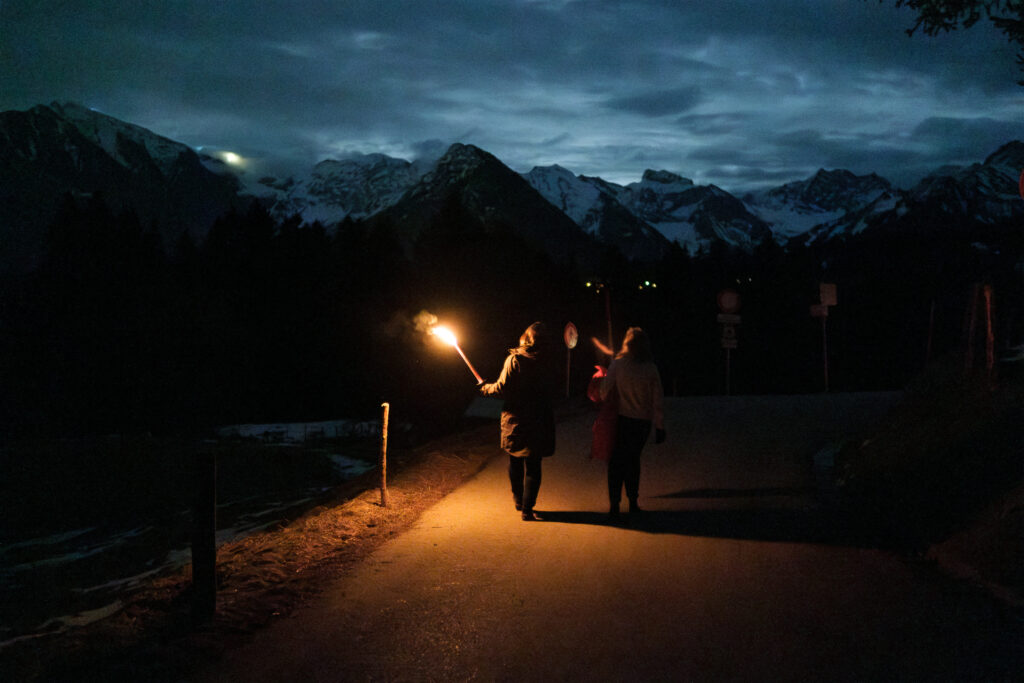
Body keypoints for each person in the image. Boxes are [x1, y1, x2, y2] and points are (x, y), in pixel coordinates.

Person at [479, 322, 559, 521]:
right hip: (540, 418)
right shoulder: (549, 361)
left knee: (515, 459)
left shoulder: (515, 359)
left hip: (517, 419)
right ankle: (527, 508)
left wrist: (485, 388)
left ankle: (518, 500)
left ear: (526, 338)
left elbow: (502, 387)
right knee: (534, 465)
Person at [600, 326, 665, 521]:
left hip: (621, 421)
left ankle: (614, 504)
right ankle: (633, 502)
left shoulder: (618, 365)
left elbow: (604, 393)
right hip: (642, 424)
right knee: (633, 460)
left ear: (626, 344)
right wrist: (660, 426)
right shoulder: (651, 368)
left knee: (616, 463)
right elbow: (657, 400)